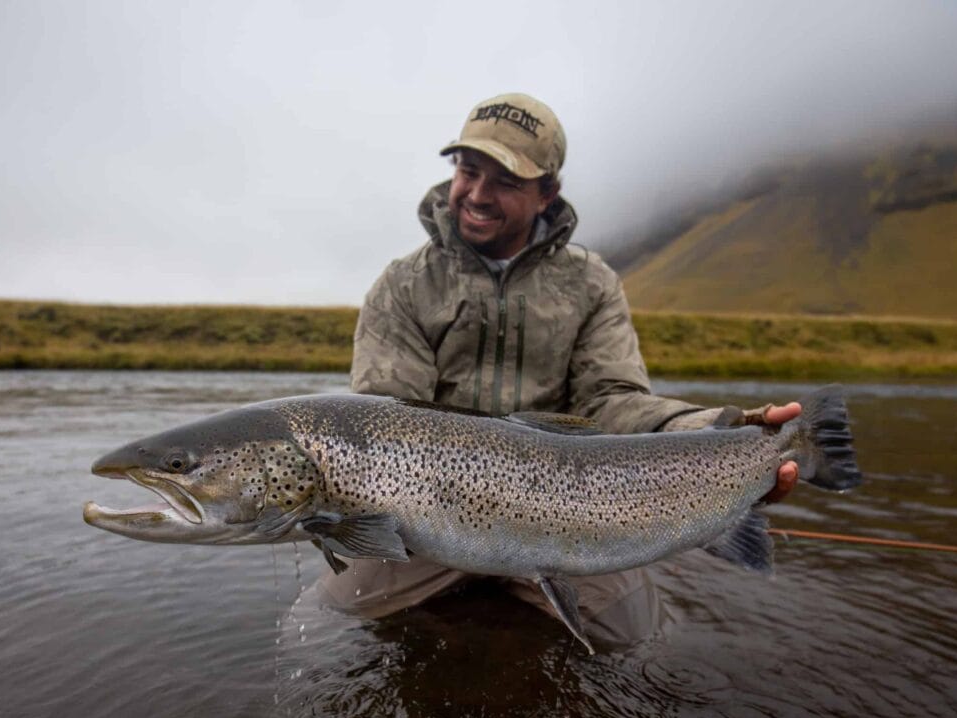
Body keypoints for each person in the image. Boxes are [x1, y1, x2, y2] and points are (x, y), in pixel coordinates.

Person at [317, 92, 799, 646]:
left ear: (547, 192)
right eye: (468, 171)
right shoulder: (403, 285)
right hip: (427, 521)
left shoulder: (592, 285)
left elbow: (613, 403)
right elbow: (383, 419)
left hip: (569, 515)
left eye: (504, 181)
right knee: (328, 628)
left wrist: (722, 427)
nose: (476, 193)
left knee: (636, 639)